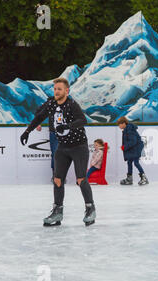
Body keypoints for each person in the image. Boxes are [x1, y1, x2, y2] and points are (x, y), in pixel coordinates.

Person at [20, 77, 97, 226]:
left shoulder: (72, 105)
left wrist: (67, 126)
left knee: (81, 179)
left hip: (78, 147)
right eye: (55, 89)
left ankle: (90, 209)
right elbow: (40, 116)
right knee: (57, 180)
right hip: (62, 147)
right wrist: (27, 131)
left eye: (59, 89)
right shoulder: (51, 103)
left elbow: (82, 120)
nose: (56, 91)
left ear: (66, 91)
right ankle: (57, 212)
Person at [117, 116, 148, 186]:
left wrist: (124, 147)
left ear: (124, 123)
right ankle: (129, 178)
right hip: (133, 148)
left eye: (119, 124)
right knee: (129, 162)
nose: (119, 126)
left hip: (136, 148)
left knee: (136, 162)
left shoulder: (129, 129)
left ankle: (144, 178)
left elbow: (133, 141)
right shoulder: (126, 130)